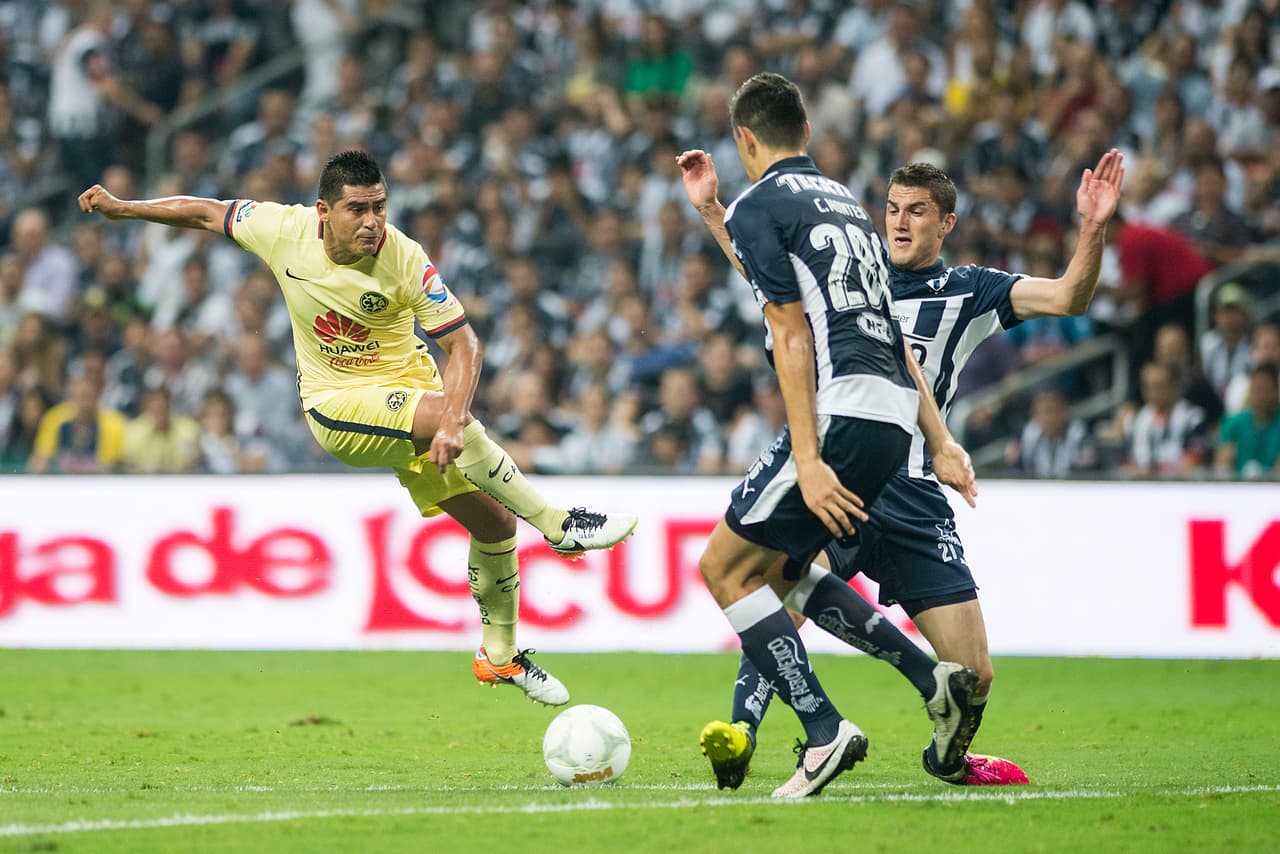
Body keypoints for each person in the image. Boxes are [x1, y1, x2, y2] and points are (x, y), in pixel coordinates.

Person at [78, 149, 637, 706]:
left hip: (410, 398)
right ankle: (560, 523)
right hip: (337, 406)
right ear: (323, 212)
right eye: (357, 210)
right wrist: (125, 209)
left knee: (494, 527)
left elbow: (462, 342)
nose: (372, 222)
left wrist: (451, 418)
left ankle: (500, 656)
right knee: (455, 425)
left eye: (380, 207)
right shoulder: (281, 229)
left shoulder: (404, 257)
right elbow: (205, 211)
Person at [680, 136, 1123, 789]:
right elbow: (767, 280)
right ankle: (743, 730)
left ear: (946, 222)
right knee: (775, 583)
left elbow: (1068, 299)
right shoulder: (855, 274)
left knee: (974, 677)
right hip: (852, 467)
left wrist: (1092, 227)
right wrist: (715, 211)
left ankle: (947, 757)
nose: (899, 221)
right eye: (892, 208)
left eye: (917, 211)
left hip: (916, 489)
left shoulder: (970, 290)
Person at [675, 72, 980, 799]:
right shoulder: (845, 204)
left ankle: (823, 731)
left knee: (724, 570)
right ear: (806, 134)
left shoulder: (764, 203)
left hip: (839, 415)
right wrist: (937, 437)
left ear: (745, 139)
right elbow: (892, 339)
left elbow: (789, 329)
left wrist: (806, 456)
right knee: (779, 572)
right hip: (891, 418)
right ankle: (927, 676)